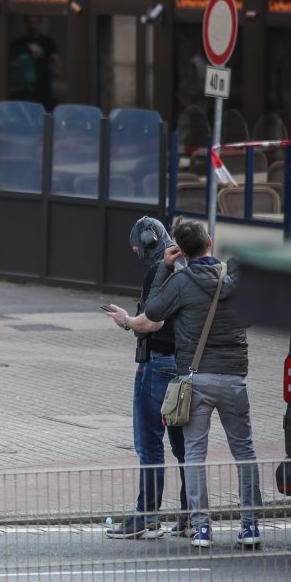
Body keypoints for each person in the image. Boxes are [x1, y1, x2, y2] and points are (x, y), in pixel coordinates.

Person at [106, 220, 261, 549]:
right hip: (234, 377)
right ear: (209, 241)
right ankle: (250, 526)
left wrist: (165, 267)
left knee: (193, 455)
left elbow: (153, 312)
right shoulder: (232, 278)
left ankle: (201, 528)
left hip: (196, 378)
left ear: (181, 250)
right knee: (245, 452)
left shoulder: (182, 280)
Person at [104, 217, 189, 540]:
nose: (136, 251)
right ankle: (190, 517)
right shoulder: (183, 268)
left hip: (156, 365)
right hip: (181, 367)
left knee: (149, 444)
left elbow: (152, 321)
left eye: (137, 246)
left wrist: (126, 321)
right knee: (184, 447)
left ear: (149, 240)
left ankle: (146, 517)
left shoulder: (159, 271)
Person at [8, 15, 62, 110]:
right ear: (25, 24)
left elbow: (55, 57)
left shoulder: (47, 41)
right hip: (24, 85)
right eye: (30, 23)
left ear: (40, 24)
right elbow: (11, 63)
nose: (33, 26)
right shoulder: (19, 43)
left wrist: (58, 69)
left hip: (43, 83)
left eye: (35, 22)